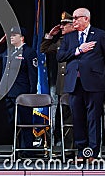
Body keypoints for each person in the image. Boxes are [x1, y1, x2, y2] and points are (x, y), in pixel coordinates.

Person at [56, 7, 105, 162]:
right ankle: (81, 151)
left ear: (86, 19)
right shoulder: (69, 38)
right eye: (74, 18)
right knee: (78, 118)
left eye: (77, 18)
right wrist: (78, 50)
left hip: (95, 84)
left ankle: (92, 152)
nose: (74, 21)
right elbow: (60, 56)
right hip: (74, 84)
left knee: (93, 118)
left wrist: (101, 75)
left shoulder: (99, 35)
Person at [0, 26, 38, 157]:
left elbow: (33, 75)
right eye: (10, 35)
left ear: (21, 37)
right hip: (9, 93)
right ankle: (16, 148)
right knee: (12, 123)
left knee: (25, 122)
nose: (11, 37)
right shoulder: (8, 51)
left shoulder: (29, 52)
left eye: (14, 35)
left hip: (22, 93)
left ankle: (28, 149)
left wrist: (31, 95)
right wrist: (0, 43)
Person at [40, 11, 75, 147]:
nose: (61, 27)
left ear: (73, 25)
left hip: (73, 83)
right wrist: (50, 35)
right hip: (62, 85)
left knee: (71, 118)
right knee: (63, 117)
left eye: (65, 24)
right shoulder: (61, 41)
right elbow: (44, 49)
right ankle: (63, 147)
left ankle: (71, 148)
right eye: (61, 25)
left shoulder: (77, 39)